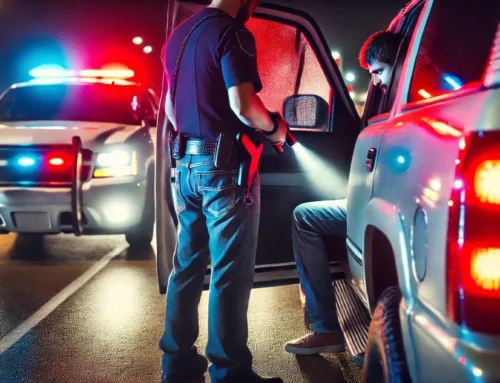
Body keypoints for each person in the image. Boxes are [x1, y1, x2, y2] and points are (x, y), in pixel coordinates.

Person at [159, 1, 287, 383]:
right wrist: (276, 129)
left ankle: (177, 365)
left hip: (185, 167)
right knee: (228, 272)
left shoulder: (177, 36)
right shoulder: (234, 33)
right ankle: (231, 373)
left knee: (187, 267)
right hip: (225, 169)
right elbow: (245, 105)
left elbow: (169, 107)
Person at [284, 31, 403, 356]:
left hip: (380, 207)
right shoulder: (398, 103)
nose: (376, 82)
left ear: (398, 63)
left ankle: (326, 329)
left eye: (379, 71)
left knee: (304, 217)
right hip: (379, 203)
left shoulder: (401, 108)